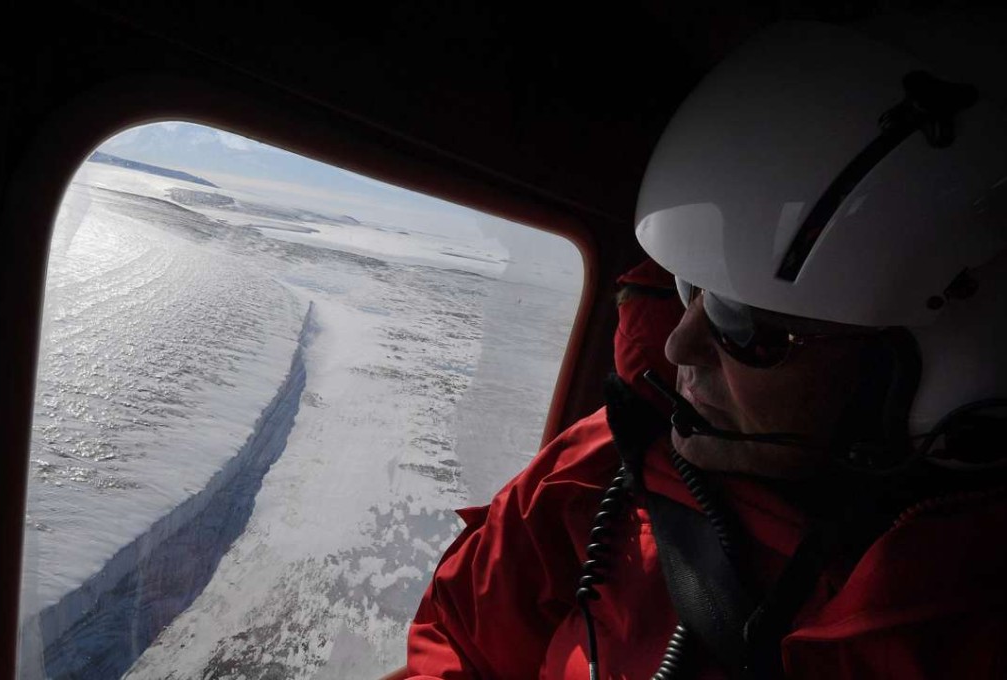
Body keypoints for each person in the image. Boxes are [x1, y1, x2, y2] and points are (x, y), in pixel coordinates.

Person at [407, 16, 1007, 679]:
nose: (678, 342)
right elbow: (460, 640)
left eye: (744, 326)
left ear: (917, 382)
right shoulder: (606, 459)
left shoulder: (962, 632)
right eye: (690, 288)